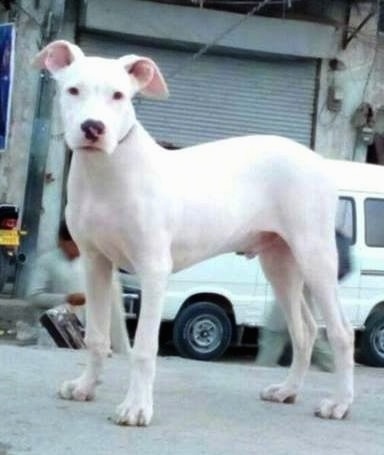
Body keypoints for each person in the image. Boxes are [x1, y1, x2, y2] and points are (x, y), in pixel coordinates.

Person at [24, 220, 130, 354]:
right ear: (61, 241)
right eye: (72, 244)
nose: (76, 249)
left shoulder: (98, 263)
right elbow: (34, 297)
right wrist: (67, 298)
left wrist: (122, 349)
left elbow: (115, 311)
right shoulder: (47, 262)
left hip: (92, 337)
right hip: (57, 335)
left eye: (79, 244)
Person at [256, 230, 352, 372]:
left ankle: (340, 367)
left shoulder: (308, 232)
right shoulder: (313, 230)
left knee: (278, 332)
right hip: (299, 281)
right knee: (302, 333)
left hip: (298, 281)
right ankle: (340, 366)